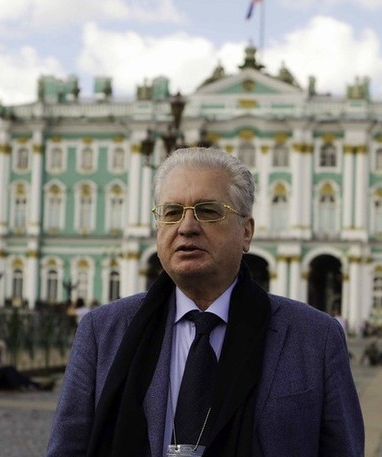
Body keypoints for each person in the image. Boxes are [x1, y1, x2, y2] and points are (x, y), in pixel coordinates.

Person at [46, 148, 364, 457]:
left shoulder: (316, 338)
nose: (186, 227)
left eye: (208, 211)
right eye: (172, 212)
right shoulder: (101, 332)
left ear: (246, 232)